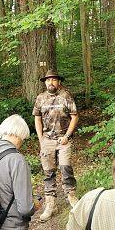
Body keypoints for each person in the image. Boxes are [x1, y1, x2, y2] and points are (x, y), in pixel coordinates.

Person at [33, 69, 79, 221]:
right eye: (48, 80)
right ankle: (50, 204)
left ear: (59, 82)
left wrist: (67, 136)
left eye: (53, 80)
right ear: (45, 82)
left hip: (63, 139)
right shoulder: (40, 98)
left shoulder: (66, 96)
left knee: (65, 167)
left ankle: (72, 197)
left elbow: (74, 117)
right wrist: (41, 139)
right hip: (47, 139)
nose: (50, 82)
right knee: (48, 172)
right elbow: (37, 118)